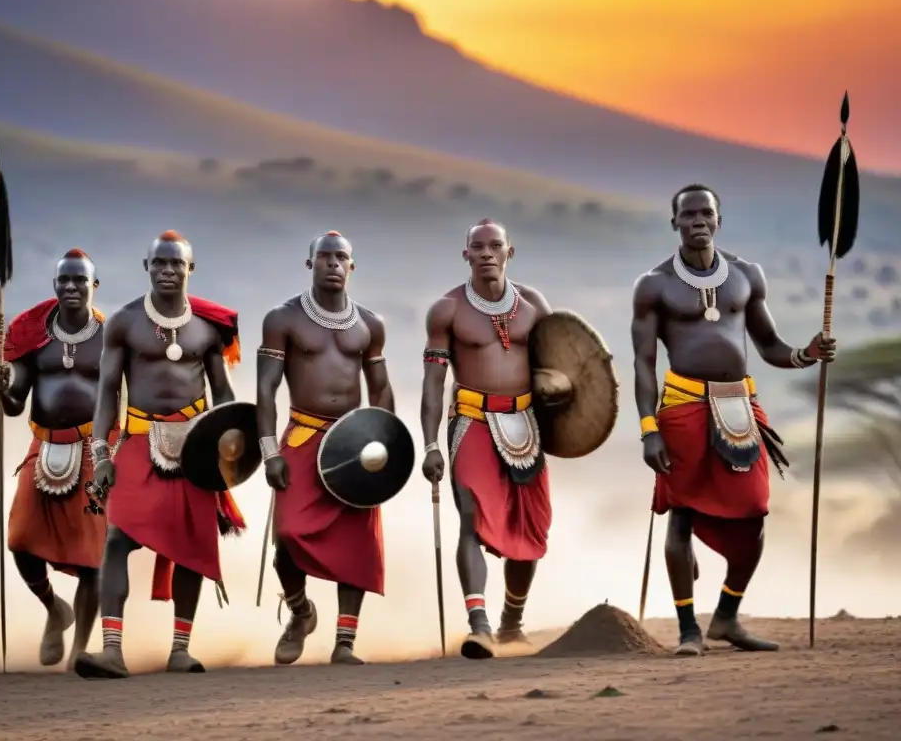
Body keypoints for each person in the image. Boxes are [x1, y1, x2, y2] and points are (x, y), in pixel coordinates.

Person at [631, 184, 836, 656]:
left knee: (755, 513)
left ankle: (725, 618)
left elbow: (769, 345)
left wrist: (807, 354)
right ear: (675, 223)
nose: (698, 221)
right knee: (680, 518)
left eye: (707, 213)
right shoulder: (654, 285)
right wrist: (648, 429)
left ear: (719, 219)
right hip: (682, 406)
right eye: (689, 215)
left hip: (739, 407)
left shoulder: (746, 276)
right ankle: (687, 630)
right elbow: (643, 364)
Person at [72, 230, 245, 679]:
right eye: (159, 264)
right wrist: (102, 452)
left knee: (192, 546)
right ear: (146, 268)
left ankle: (180, 650)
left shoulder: (208, 328)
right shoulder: (125, 323)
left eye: (176, 264)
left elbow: (223, 393)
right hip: (137, 441)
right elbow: (107, 391)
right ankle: (112, 649)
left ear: (191, 269)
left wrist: (232, 449)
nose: (168, 271)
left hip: (195, 446)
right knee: (116, 538)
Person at [256, 230, 393, 666]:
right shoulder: (283, 319)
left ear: (351, 266)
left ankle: (345, 642)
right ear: (309, 263)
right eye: (325, 257)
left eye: (341, 257)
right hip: (302, 436)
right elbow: (265, 389)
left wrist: (385, 440)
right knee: (289, 537)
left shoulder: (370, 324)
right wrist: (269, 452)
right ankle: (300, 612)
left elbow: (382, 388)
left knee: (358, 544)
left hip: (356, 442)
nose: (333, 263)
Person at [419, 219, 553, 659]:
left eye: (496, 246)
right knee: (472, 516)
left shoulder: (535, 306)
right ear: (466, 255)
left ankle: (512, 623)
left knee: (529, 527)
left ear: (509, 253)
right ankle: (479, 626)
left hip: (524, 425)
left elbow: (563, 365)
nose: (487, 253)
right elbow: (433, 384)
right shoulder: (447, 310)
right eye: (478, 247)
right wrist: (432, 444)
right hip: (472, 421)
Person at [0, 249, 112, 669]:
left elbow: (127, 397)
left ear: (94, 286)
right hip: (43, 447)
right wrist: (5, 385)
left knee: (94, 551)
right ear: (55, 286)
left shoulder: (111, 338)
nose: (72, 287)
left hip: (96, 451)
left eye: (80, 280)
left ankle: (80, 648)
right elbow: (13, 406)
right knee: (20, 540)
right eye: (64, 281)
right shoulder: (34, 337)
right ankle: (54, 609)